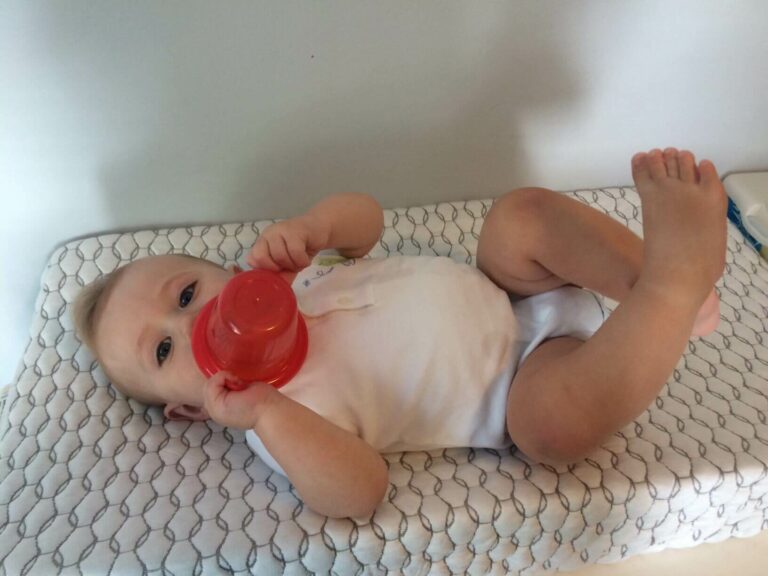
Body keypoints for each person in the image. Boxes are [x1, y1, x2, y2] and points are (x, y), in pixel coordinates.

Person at [72, 148, 727, 518]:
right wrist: (267, 410)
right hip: (522, 383)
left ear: (231, 276)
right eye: (163, 349)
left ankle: (646, 277)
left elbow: (368, 222)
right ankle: (672, 287)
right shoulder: (280, 422)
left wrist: (320, 227)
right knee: (551, 427)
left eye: (187, 294)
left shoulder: (298, 275)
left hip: (508, 288)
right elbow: (359, 493)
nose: (190, 324)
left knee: (516, 218)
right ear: (189, 409)